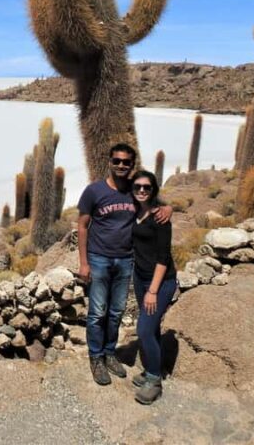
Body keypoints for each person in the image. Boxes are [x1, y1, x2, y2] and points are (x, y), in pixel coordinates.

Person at [77, 143, 171, 386]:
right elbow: (82, 225)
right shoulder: (93, 191)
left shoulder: (134, 189)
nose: (121, 165)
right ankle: (96, 357)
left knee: (117, 311)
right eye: (117, 161)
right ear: (109, 161)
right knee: (97, 312)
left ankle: (110, 353)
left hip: (125, 259)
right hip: (98, 258)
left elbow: (155, 204)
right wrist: (84, 262)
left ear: (132, 165)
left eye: (126, 162)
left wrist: (169, 207)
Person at [130, 170, 177, 405]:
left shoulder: (160, 218)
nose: (141, 190)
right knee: (153, 328)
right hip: (140, 278)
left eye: (146, 187)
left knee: (145, 330)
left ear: (153, 190)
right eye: (137, 186)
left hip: (160, 281)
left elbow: (163, 257)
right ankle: (152, 367)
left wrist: (153, 291)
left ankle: (154, 380)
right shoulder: (134, 210)